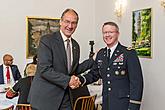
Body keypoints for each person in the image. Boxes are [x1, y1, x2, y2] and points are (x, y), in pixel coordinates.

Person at [28, 8, 94, 110]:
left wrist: (93, 60)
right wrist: (69, 80)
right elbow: (44, 70)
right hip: (45, 100)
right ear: (60, 22)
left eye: (74, 23)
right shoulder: (47, 40)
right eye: (67, 22)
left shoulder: (76, 45)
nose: (70, 26)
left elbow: (73, 70)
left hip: (66, 98)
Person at [78, 21, 144, 110]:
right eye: (105, 32)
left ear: (117, 34)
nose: (107, 35)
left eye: (111, 32)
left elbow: (137, 83)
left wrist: (134, 107)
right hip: (106, 103)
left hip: (123, 104)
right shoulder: (101, 54)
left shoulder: (128, 53)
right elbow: (94, 74)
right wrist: (79, 80)